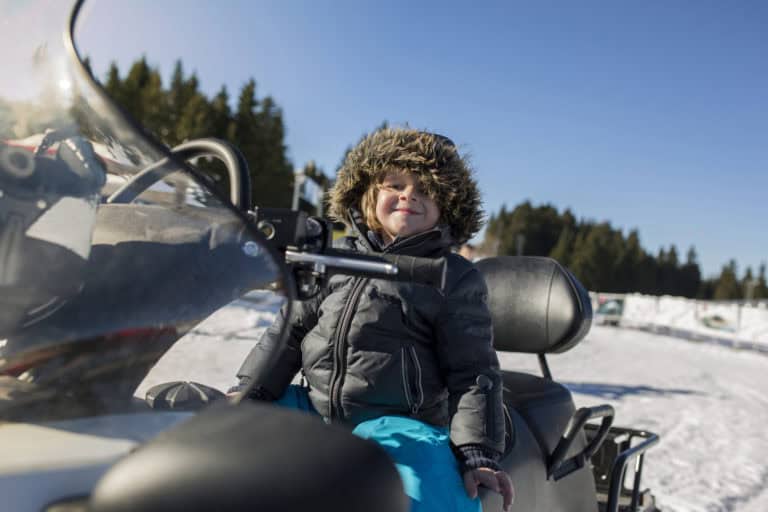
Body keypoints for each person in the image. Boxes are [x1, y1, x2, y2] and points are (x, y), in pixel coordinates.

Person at [233, 127, 513, 511]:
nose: (408, 195)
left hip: (400, 424)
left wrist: (476, 450)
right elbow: (290, 331)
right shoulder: (334, 256)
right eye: (395, 185)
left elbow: (473, 371)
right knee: (223, 439)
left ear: (447, 205)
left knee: (434, 491)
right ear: (368, 194)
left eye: (425, 189)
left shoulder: (451, 276)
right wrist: (252, 389)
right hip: (313, 407)